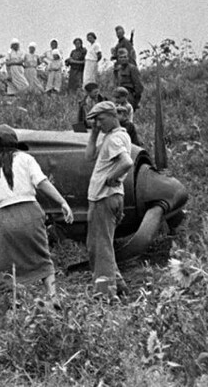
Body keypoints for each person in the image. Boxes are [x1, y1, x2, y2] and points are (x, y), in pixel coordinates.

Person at [0, 126, 74, 311]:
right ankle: (53, 298)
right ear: (15, 144)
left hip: (6, 219)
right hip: (31, 212)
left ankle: (4, 310)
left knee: (4, 266)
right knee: (42, 258)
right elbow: (42, 182)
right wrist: (63, 202)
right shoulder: (26, 159)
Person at [84, 101, 133, 298]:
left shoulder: (114, 139)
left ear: (113, 116)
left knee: (100, 247)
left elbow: (126, 162)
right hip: (106, 197)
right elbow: (89, 156)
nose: (98, 124)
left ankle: (105, 294)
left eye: (101, 119)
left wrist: (110, 178)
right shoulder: (112, 137)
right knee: (98, 245)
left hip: (105, 197)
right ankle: (118, 285)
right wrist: (95, 133)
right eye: (95, 121)